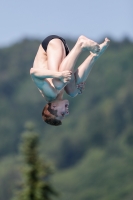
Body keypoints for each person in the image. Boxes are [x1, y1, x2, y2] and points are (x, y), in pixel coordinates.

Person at [30, 35, 110, 126]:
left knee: (58, 83)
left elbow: (33, 73)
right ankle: (95, 55)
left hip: (51, 45)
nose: (67, 113)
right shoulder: (57, 96)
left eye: (62, 114)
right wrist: (76, 85)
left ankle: (80, 44)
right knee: (73, 92)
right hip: (63, 55)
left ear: (54, 106)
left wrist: (59, 75)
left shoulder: (50, 94)